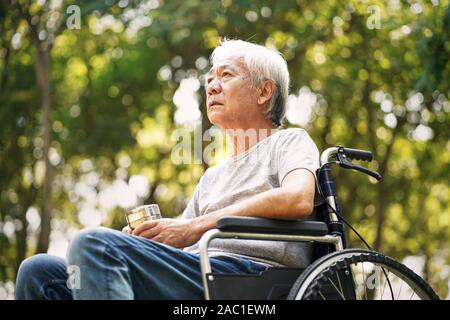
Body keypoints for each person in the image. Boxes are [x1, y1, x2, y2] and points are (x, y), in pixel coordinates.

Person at [15, 39, 319, 300]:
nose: (212, 85)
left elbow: (298, 198)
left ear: (264, 91)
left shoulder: (289, 141)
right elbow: (183, 240)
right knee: (39, 271)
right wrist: (147, 241)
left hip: (251, 276)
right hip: (200, 272)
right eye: (210, 78)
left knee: (94, 244)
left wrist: (194, 227)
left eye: (226, 75)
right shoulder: (213, 176)